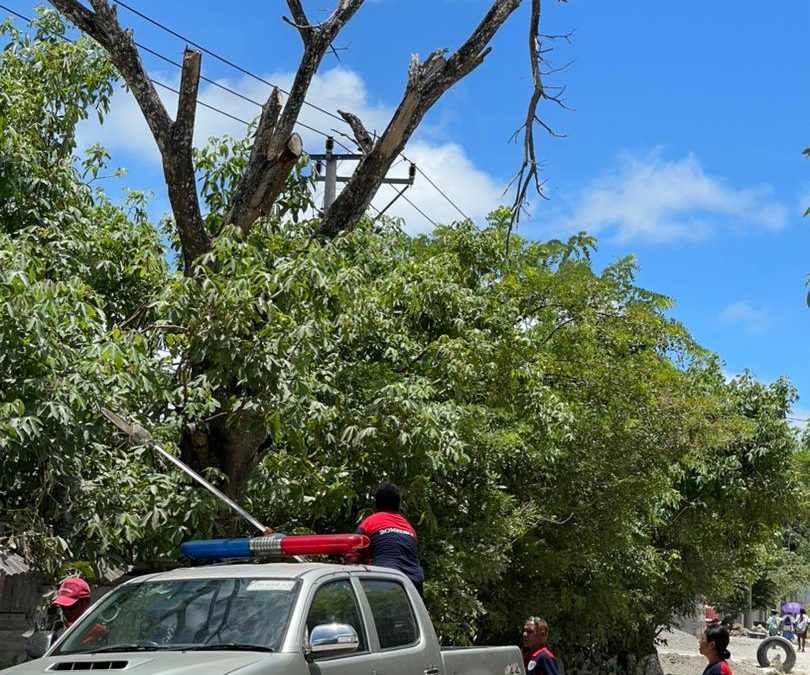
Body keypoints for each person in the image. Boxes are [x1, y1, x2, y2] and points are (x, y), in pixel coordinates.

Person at [354, 482, 425, 596]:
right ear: (399, 504)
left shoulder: (370, 522)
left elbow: (353, 548)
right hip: (413, 584)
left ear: (376, 503)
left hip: (385, 581)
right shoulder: (408, 527)